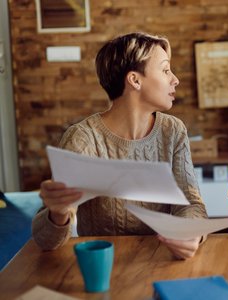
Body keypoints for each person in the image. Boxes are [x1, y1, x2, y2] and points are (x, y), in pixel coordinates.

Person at [32, 32, 207, 259]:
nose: (175, 79)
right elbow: (45, 240)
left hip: (162, 260)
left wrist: (190, 233)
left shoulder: (173, 130)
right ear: (135, 80)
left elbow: (191, 203)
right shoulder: (83, 138)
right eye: (165, 70)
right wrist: (58, 213)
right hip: (101, 267)